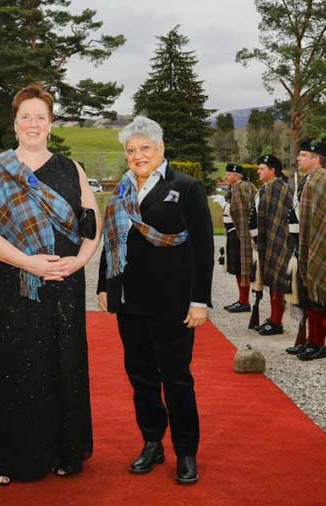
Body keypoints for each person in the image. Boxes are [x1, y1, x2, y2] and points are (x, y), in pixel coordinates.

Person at [0, 83, 101, 485]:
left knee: (65, 361)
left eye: (40, 117)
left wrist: (76, 263)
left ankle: (65, 450)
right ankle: (14, 458)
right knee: (19, 365)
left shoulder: (70, 168)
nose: (32, 123)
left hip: (64, 284)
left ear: (51, 123)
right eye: (25, 116)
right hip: (17, 283)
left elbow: (91, 225)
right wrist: (30, 263)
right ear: (14, 123)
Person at [98, 115, 214, 485]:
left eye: (144, 147)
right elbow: (111, 241)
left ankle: (186, 451)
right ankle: (152, 442)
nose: (138, 155)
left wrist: (200, 301)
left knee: (176, 379)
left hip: (173, 303)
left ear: (161, 148)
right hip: (130, 302)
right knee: (141, 378)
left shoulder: (187, 187)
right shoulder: (120, 192)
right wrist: (105, 285)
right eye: (131, 150)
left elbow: (204, 249)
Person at [284, 139, 326, 361]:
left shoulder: (323, 179)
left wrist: (313, 244)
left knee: (317, 294)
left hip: (319, 243)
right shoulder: (309, 179)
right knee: (308, 295)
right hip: (303, 242)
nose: (298, 158)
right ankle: (310, 340)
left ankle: (319, 344)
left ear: (316, 158)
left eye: (303, 155)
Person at [253, 154, 291, 336]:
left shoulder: (280, 188)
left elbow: (281, 218)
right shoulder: (265, 188)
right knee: (271, 280)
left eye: (261, 168)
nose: (258, 171)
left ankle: (277, 321)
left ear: (272, 170)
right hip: (267, 239)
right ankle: (273, 317)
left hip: (280, 239)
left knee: (277, 280)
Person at [221, 163, 257, 313]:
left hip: (238, 233)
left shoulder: (238, 187)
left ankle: (244, 301)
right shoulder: (236, 189)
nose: (226, 177)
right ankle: (242, 299)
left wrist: (243, 235)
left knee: (241, 267)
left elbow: (242, 213)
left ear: (236, 176)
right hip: (233, 233)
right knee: (237, 269)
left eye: (228, 175)